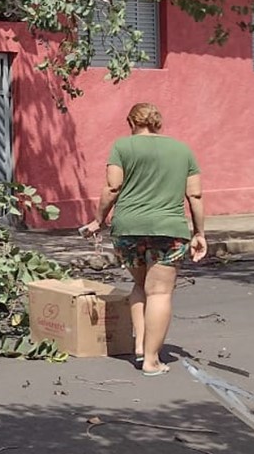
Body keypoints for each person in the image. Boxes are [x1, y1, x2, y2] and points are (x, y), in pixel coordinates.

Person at [83, 102, 207, 376]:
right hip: (169, 229)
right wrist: (199, 233)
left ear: (131, 122)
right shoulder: (182, 150)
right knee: (160, 292)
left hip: (128, 228)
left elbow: (112, 187)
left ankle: (140, 346)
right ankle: (152, 360)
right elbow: (195, 196)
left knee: (139, 284)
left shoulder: (122, 147)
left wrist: (98, 219)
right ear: (158, 122)